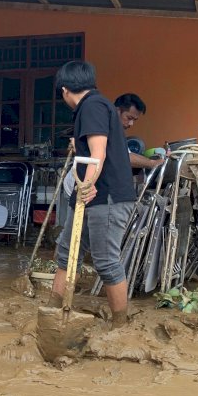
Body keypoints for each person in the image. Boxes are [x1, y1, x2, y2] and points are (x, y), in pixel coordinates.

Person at [50, 61, 136, 329]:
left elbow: (98, 154)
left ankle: (120, 326)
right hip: (92, 196)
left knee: (106, 261)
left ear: (65, 90)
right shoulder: (95, 107)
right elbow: (93, 150)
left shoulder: (93, 106)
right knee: (66, 254)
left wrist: (87, 186)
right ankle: (53, 313)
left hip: (106, 197)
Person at [114, 93, 166, 171]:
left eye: (134, 120)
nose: (131, 124)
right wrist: (153, 163)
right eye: (129, 118)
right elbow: (125, 158)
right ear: (117, 110)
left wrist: (154, 161)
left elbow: (129, 154)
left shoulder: (118, 133)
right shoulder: (106, 130)